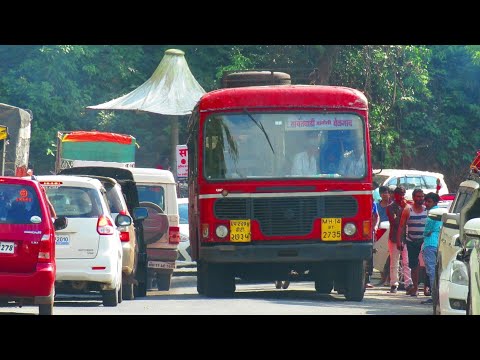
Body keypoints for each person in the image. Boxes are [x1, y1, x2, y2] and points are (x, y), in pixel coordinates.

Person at [398, 188, 427, 296]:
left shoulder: (426, 210)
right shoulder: (408, 210)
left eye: (422, 196)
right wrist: (399, 241)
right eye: (418, 196)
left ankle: (426, 288)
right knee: (414, 266)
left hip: (423, 241)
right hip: (411, 241)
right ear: (414, 197)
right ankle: (415, 287)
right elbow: (401, 227)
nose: (420, 198)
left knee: (425, 265)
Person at [386, 186, 413, 293]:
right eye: (399, 194)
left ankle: (408, 284)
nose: (401, 196)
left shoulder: (407, 206)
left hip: (406, 237)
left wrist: (405, 207)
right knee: (394, 261)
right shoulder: (391, 207)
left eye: (403, 194)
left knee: (406, 262)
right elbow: (395, 222)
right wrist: (403, 209)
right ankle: (393, 284)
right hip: (394, 237)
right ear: (395, 195)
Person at [421, 192, 441, 305]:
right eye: (426, 201)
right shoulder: (441, 211)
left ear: (434, 202)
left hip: (430, 244)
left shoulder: (432, 213)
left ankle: (434, 297)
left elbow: (427, 230)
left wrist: (426, 233)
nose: (426, 203)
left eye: (429, 201)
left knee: (431, 271)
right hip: (439, 243)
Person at [366, 201, 380, 289]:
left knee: (369, 256)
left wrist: (375, 226)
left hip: (369, 233)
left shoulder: (373, 203)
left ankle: (367, 280)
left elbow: (377, 216)